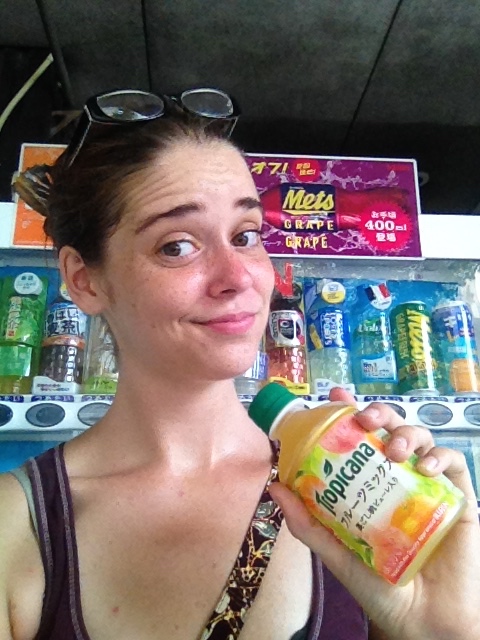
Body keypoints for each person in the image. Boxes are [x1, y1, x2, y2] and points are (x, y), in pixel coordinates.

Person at [1, 88, 479, 640]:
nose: (239, 277)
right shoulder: (18, 526)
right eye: (177, 246)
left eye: (246, 236)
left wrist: (447, 628)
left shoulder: (352, 493)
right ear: (85, 280)